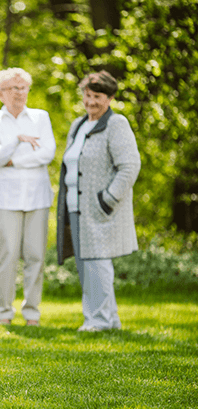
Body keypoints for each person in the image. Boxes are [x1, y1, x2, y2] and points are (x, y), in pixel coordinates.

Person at [56, 70, 140, 332]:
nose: (91, 101)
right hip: (75, 208)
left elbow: (129, 166)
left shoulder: (116, 124)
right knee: (87, 266)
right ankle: (109, 319)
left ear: (110, 98)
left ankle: (98, 321)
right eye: (87, 95)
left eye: (98, 96)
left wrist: (108, 200)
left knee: (97, 263)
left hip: (99, 209)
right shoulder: (79, 125)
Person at [0, 68, 56, 327]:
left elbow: (47, 153)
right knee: (8, 255)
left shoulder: (40, 117)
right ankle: (4, 311)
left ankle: (32, 313)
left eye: (24, 87)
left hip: (37, 196)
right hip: (5, 199)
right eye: (14, 88)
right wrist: (16, 139)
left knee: (35, 255)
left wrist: (14, 160)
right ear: (0, 93)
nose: (20, 93)